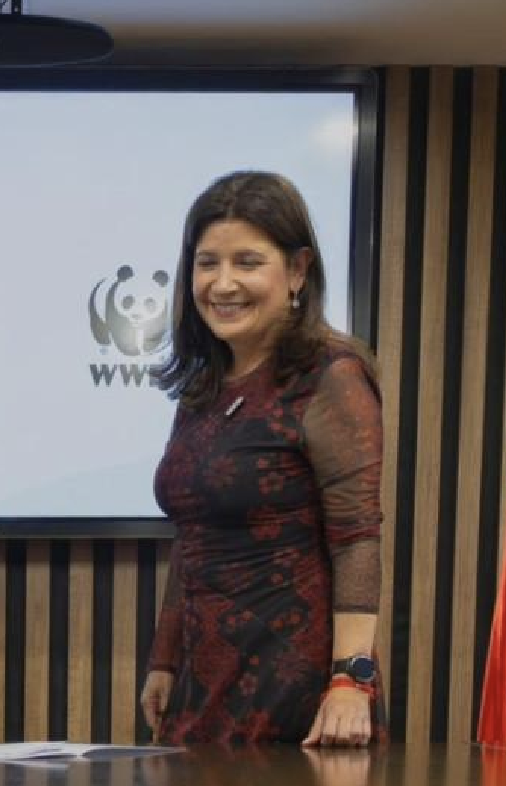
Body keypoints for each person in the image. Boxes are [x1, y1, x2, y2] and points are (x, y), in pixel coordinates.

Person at [139, 171, 386, 745]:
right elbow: (194, 535)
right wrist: (164, 660)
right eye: (207, 263)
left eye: (247, 262)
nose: (223, 283)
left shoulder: (331, 375)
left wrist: (351, 681)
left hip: (294, 683)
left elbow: (356, 538)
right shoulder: (204, 386)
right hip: (202, 679)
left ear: (297, 270)